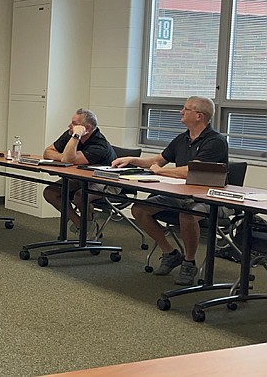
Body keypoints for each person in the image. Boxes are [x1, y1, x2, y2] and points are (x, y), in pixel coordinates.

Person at [112, 96, 228, 285]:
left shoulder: (215, 141)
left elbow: (193, 170)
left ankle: (189, 262)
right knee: (140, 209)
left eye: (186, 109)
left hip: (209, 199)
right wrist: (132, 160)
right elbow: (159, 159)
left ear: (199, 116)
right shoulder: (183, 138)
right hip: (181, 195)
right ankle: (170, 252)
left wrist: (160, 170)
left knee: (187, 214)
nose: (181, 112)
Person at [42, 108, 117, 232]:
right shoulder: (70, 133)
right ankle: (81, 225)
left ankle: (88, 222)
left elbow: (68, 160)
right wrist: (64, 156)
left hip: (105, 181)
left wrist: (75, 137)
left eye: (75, 124)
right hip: (80, 178)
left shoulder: (99, 145)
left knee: (81, 196)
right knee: (50, 192)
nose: (69, 126)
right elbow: (48, 152)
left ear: (86, 129)